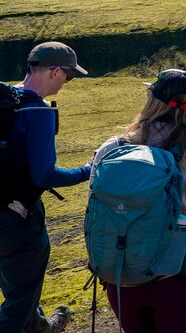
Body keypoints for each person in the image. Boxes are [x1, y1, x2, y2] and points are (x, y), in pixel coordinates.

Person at [90, 69, 186, 333]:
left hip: (121, 277)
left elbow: (95, 214)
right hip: (172, 276)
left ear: (151, 101)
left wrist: (102, 265)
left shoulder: (111, 149)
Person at [0, 42, 90, 333]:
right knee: (19, 301)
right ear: (54, 71)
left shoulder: (6, 99)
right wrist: (87, 170)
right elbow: (44, 176)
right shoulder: (37, 112)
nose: (67, 82)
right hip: (18, 220)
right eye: (68, 76)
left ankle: (41, 327)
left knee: (19, 286)